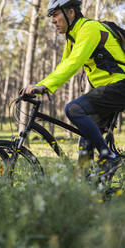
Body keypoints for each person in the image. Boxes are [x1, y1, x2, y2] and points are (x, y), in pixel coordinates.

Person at [22, 0, 125, 176]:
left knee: (74, 109)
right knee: (86, 141)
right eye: (51, 17)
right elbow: (64, 64)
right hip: (107, 89)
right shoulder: (72, 36)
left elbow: (73, 62)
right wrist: (42, 86)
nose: (53, 20)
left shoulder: (89, 28)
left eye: (55, 14)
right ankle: (87, 189)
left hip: (120, 86)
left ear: (70, 13)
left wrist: (44, 86)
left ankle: (109, 157)